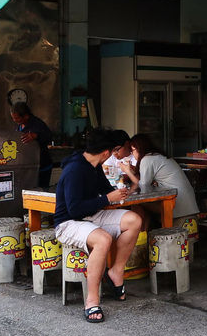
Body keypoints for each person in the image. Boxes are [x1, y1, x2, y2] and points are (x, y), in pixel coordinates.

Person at [53, 128, 142, 323]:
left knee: (134, 220)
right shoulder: (75, 169)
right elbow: (74, 209)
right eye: (112, 151)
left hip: (92, 215)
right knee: (103, 239)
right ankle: (92, 300)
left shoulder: (93, 166)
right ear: (105, 152)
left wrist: (117, 194)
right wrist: (107, 198)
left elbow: (105, 190)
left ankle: (115, 271)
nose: (112, 154)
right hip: (69, 222)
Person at [119, 133, 200, 227]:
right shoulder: (158, 156)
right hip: (188, 206)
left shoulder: (147, 159)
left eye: (132, 151)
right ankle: (144, 235)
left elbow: (145, 189)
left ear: (137, 148)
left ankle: (141, 237)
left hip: (177, 205)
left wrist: (127, 171)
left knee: (137, 204)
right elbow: (144, 184)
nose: (132, 154)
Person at [10, 102, 53, 187]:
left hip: (41, 167)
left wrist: (36, 136)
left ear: (26, 116)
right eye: (13, 118)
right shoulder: (20, 126)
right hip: (27, 167)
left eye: (17, 118)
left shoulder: (37, 124)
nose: (15, 120)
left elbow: (49, 137)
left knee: (40, 192)